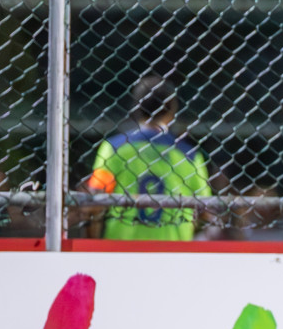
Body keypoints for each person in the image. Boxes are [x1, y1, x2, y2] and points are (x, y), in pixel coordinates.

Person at [84, 75, 217, 241]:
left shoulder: (113, 148)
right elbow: (204, 209)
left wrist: (94, 244)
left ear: (136, 107)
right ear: (172, 110)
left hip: (122, 247)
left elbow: (94, 202)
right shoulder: (189, 154)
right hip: (173, 249)